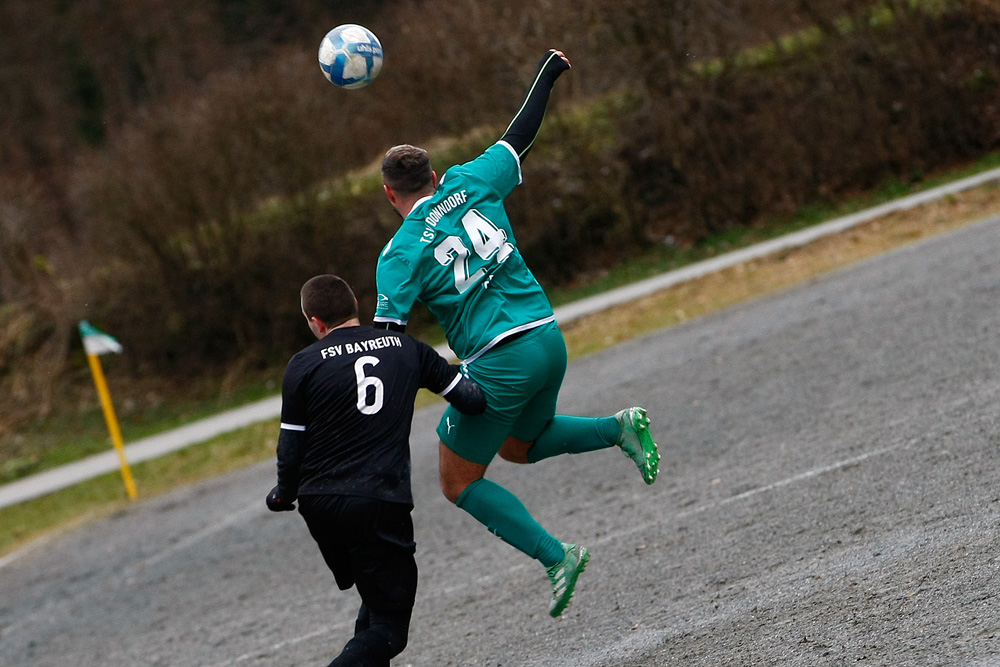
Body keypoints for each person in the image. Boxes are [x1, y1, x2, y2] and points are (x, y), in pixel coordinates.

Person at [372, 49, 660, 618]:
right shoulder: (470, 181)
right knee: (519, 446)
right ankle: (618, 427)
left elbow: (389, 343)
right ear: (433, 176)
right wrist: (549, 71)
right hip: (548, 337)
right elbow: (520, 131)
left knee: (457, 482)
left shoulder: (397, 255)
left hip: (498, 359)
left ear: (388, 195)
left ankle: (556, 556)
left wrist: (427, 392)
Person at [266, 274, 486, 667]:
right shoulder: (407, 349)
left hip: (320, 505)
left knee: (374, 599)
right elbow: (471, 399)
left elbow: (291, 447)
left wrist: (283, 493)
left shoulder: (302, 364)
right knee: (389, 626)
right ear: (355, 308)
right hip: (379, 500)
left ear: (315, 321)